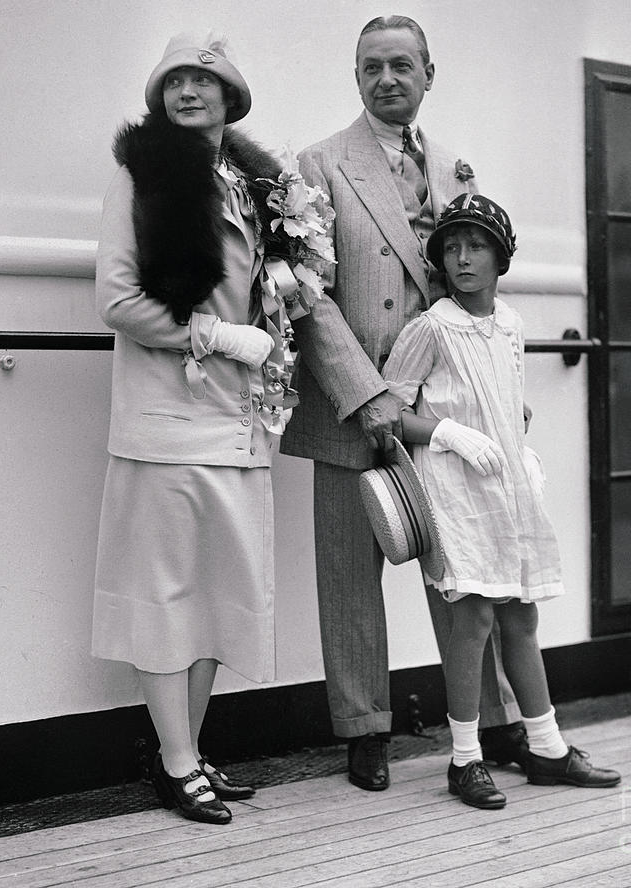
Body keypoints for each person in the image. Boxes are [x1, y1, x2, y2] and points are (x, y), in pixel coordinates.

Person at [281, 15, 528, 791]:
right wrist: (367, 396)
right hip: (352, 404)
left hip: (446, 410)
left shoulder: (457, 168)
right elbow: (309, 298)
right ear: (356, 78)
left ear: (428, 73)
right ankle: (365, 731)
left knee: (466, 573)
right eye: (371, 67)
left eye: (401, 65)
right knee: (351, 581)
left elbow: (473, 282)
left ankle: (489, 727)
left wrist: (501, 394)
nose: (387, 78)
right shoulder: (318, 164)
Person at [92, 31, 289, 824]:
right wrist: (212, 334)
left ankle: (189, 751)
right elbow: (115, 299)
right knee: (165, 597)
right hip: (167, 422)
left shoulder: (252, 185)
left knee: (216, 597)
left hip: (239, 422)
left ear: (230, 97)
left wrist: (278, 303)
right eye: (174, 80)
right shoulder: (141, 175)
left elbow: (268, 294)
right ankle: (175, 762)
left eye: (204, 80)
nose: (188, 91)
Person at [382, 193, 621, 808]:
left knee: (521, 615)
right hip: (456, 488)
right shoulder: (430, 327)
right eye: (452, 247)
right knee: (475, 616)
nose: (463, 258)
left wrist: (522, 449)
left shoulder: (510, 324)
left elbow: (506, 400)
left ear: (501, 257)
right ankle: (465, 760)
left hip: (506, 484)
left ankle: (547, 748)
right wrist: (445, 431)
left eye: (477, 246)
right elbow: (388, 414)